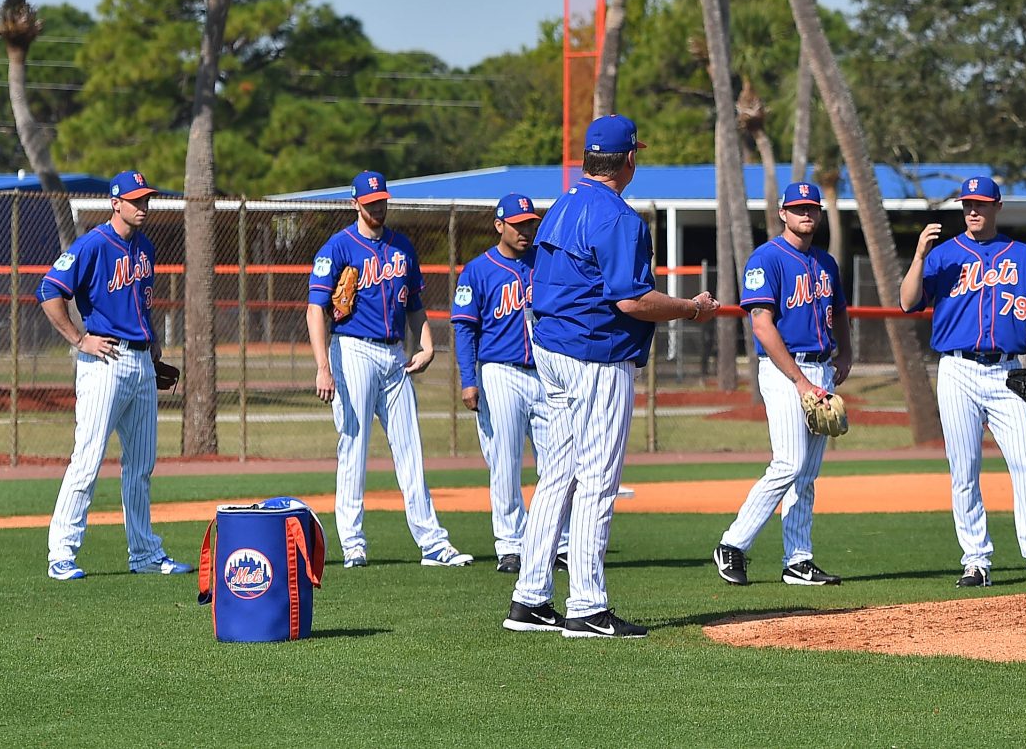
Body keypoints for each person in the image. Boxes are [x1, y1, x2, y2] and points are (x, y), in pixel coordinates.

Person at [504, 115, 718, 638]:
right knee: (597, 478)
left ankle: (530, 599)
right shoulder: (617, 217)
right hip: (594, 355)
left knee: (558, 474)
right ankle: (586, 604)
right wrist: (691, 309)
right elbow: (631, 299)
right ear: (629, 160)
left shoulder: (561, 207)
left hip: (551, 349)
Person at [898, 175, 1026, 590]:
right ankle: (975, 560)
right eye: (967, 204)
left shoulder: (1022, 256)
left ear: (997, 206)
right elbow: (907, 302)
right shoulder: (944, 255)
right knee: (965, 469)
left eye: (980, 204)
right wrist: (920, 255)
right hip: (957, 370)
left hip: (1008, 370)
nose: (972, 210)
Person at [306, 171, 470, 568]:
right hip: (353, 349)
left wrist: (427, 343)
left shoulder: (402, 247)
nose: (378, 206)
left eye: (382, 200)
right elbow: (315, 308)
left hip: (395, 354)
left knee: (410, 448)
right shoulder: (339, 247)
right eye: (370, 201)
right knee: (354, 445)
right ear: (355, 204)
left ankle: (432, 543)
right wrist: (322, 367)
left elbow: (414, 303)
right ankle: (353, 543)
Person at [40, 170, 191, 580]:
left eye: (146, 199)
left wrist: (152, 338)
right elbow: (50, 291)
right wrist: (78, 338)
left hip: (140, 362)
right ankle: (61, 554)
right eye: (136, 200)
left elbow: (140, 302)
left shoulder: (145, 247)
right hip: (104, 361)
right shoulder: (92, 244)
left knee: (140, 465)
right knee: (87, 460)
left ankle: (143, 553)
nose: (143, 206)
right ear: (116, 203)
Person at [712, 180, 850, 587]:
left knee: (806, 473)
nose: (806, 214)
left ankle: (798, 559)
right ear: (782, 214)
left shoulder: (825, 263)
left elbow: (840, 311)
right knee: (788, 462)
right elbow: (761, 324)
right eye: (799, 208)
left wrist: (846, 353)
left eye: (813, 208)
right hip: (786, 371)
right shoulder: (766, 259)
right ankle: (732, 545)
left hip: (821, 370)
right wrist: (801, 381)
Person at [452, 193, 556, 574]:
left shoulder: (544, 264)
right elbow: (464, 329)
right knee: (505, 462)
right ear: (500, 226)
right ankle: (510, 544)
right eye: (518, 224)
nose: (527, 229)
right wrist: (468, 380)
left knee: (556, 462)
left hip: (546, 372)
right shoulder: (478, 270)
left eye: (530, 223)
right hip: (499, 372)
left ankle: (555, 543)